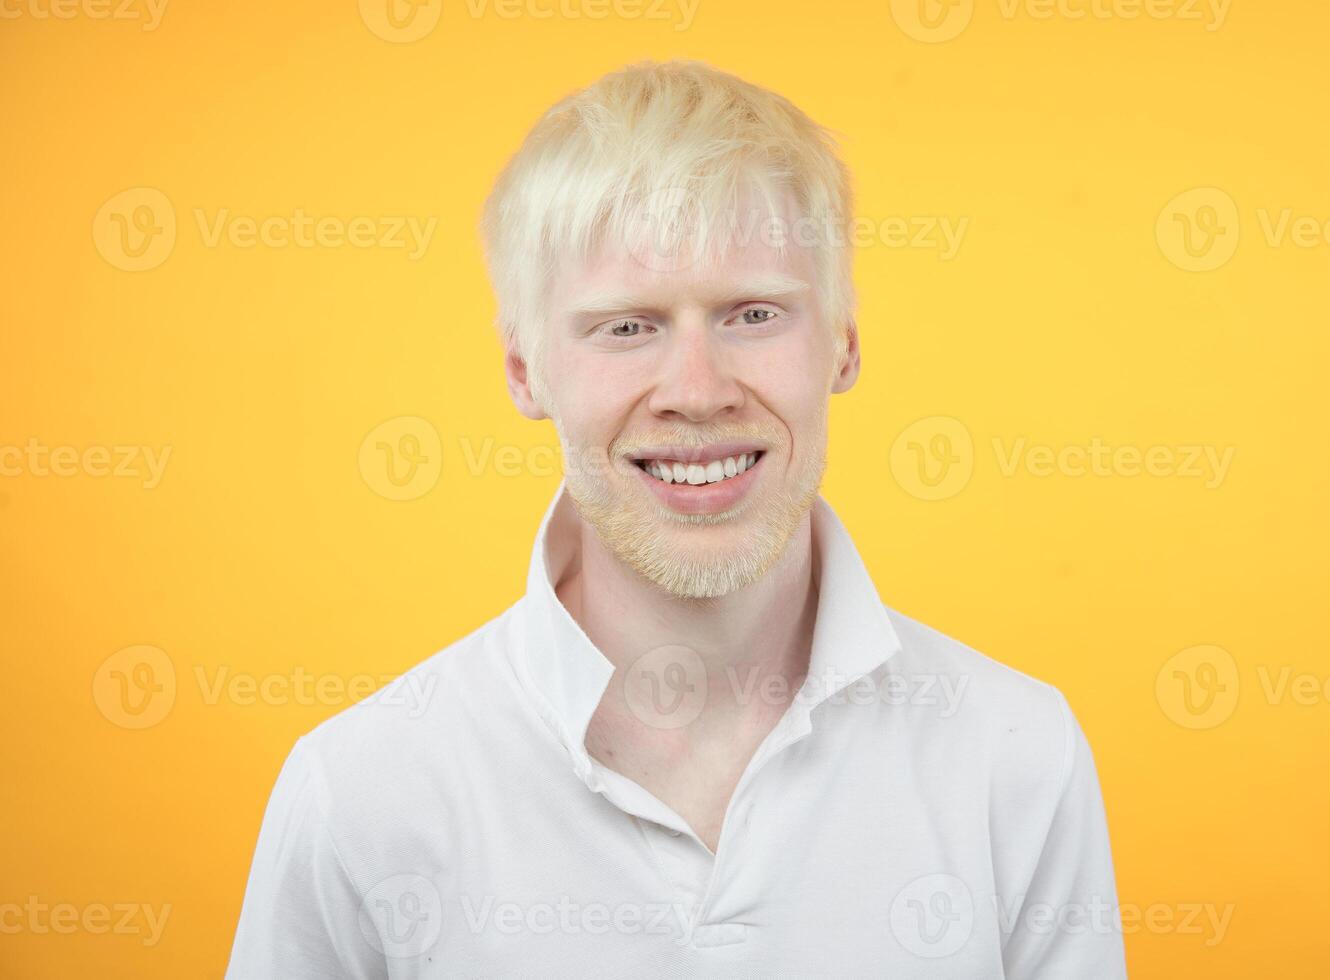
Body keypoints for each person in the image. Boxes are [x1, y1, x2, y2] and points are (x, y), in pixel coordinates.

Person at [226, 59, 1127, 978]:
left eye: (754, 313)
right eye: (626, 326)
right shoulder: (362, 791)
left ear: (846, 343)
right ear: (524, 371)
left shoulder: (1015, 757)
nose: (697, 393)